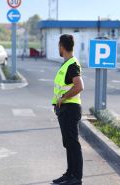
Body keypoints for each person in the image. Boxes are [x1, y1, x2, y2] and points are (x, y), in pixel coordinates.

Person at [52, 34, 84, 185]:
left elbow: (79, 86)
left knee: (73, 143)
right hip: (65, 109)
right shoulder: (67, 64)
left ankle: (76, 178)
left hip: (70, 109)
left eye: (59, 46)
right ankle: (69, 173)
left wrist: (63, 97)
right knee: (68, 143)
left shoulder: (71, 65)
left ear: (61, 47)